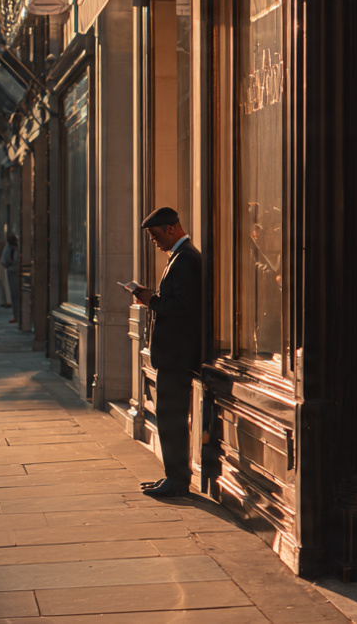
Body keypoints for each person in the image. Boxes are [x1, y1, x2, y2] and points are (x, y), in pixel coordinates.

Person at [130, 207, 202, 499]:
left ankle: (177, 480)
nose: (154, 242)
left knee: (171, 418)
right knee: (168, 417)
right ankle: (173, 476)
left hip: (177, 356)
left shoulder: (185, 259)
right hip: (174, 355)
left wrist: (152, 300)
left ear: (171, 229)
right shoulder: (180, 257)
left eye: (155, 235)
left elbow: (185, 307)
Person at [2, 233, 20, 323]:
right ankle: (20, 316)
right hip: (18, 271)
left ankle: (17, 316)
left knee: (14, 295)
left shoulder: (8, 248)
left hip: (12, 272)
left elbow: (4, 260)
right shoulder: (19, 248)